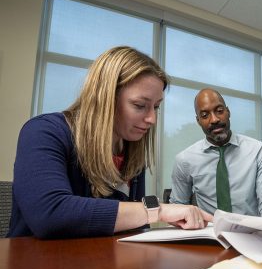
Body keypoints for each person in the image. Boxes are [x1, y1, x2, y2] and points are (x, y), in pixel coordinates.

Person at [8, 46, 212, 239]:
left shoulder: (132, 151)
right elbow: (50, 214)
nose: (152, 119)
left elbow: (135, 225)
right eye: (140, 105)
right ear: (104, 98)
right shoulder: (44, 131)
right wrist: (157, 209)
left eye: (156, 107)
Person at [169, 88, 262, 217]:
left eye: (219, 111)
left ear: (228, 112)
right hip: (208, 234)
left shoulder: (258, 151)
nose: (214, 119)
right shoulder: (184, 160)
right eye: (205, 115)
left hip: (251, 233)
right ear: (198, 121)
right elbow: (178, 207)